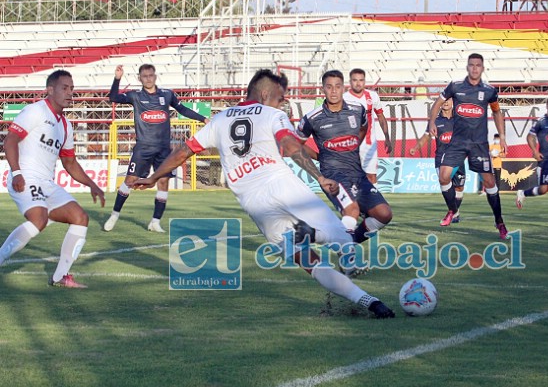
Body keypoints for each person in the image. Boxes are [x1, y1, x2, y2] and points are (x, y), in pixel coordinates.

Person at [133, 69, 395, 319]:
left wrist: (154, 177)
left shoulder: (219, 120)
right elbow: (291, 146)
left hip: (254, 203)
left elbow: (183, 151)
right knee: (343, 239)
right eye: (280, 98)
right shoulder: (272, 114)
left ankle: (369, 302)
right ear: (267, 95)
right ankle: (318, 237)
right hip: (283, 186)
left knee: (310, 263)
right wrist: (320, 177)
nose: (282, 103)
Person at [0, 70, 106, 287]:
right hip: (26, 177)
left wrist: (92, 184)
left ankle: (61, 276)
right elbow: (10, 141)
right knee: (38, 219)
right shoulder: (35, 111)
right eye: (64, 88)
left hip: (46, 183)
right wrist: (17, 172)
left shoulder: (65, 125)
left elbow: (70, 163)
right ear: (50, 90)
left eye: (72, 89)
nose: (70, 93)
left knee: (80, 217)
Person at [103, 64, 209, 233]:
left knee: (163, 182)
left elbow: (182, 109)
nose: (148, 78)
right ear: (140, 78)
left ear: (155, 76)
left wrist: (203, 119)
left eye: (151, 75)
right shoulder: (135, 96)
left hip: (163, 149)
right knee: (129, 181)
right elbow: (113, 98)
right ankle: (114, 215)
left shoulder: (167, 95)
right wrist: (117, 78)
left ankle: (155, 222)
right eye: (145, 76)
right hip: (143, 148)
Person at [299, 70, 393, 244]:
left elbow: (363, 128)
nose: (333, 91)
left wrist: (352, 146)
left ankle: (332, 240)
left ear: (343, 88)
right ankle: (346, 256)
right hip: (333, 176)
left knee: (384, 214)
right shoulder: (312, 118)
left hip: (357, 174)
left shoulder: (358, 111)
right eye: (329, 87)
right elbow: (296, 145)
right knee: (352, 211)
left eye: (337, 86)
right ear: (323, 89)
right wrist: (320, 157)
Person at [427, 53, 509, 238]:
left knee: (489, 182)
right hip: (457, 142)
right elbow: (437, 103)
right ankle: (452, 210)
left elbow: (497, 112)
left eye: (478, 65)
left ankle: (499, 222)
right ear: (467, 67)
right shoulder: (455, 87)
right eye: (471, 65)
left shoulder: (489, 91)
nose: (474, 68)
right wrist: (432, 122)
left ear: (482, 68)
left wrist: (502, 135)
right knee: (444, 176)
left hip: (478, 143)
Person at [409, 98, 466, 224]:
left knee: (459, 187)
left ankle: (454, 212)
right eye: (443, 101)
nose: (445, 103)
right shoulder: (435, 121)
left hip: (458, 157)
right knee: (445, 183)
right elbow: (426, 136)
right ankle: (453, 212)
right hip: (442, 158)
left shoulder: (460, 120)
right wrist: (415, 148)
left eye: (448, 100)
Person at [342, 68, 393, 184]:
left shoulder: (373, 96)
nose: (358, 83)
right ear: (350, 81)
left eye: (361, 80)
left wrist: (387, 138)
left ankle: (373, 201)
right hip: (350, 144)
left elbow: (381, 117)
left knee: (371, 176)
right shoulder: (344, 98)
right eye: (355, 80)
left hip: (369, 144)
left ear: (364, 81)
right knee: (351, 176)